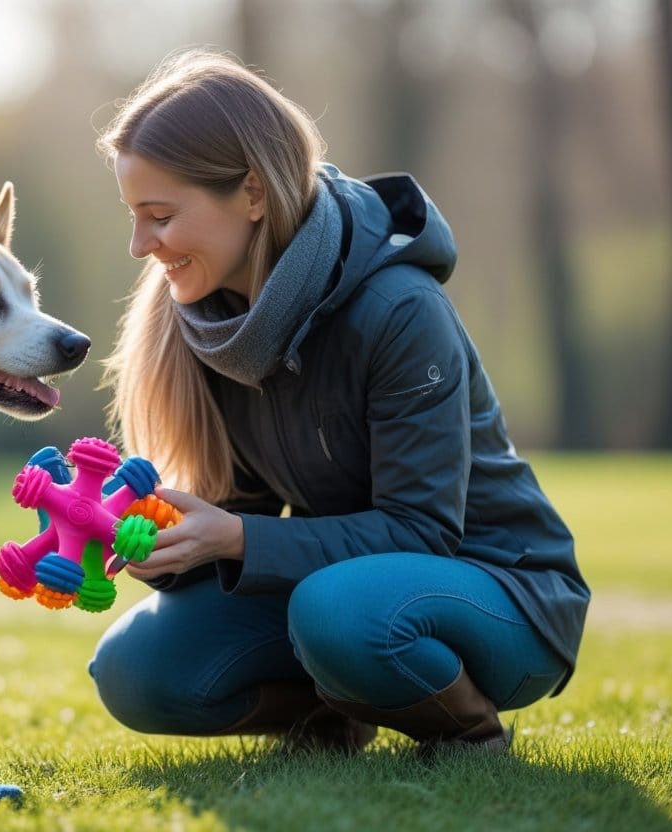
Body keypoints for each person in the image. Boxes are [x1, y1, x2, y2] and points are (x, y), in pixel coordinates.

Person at [88, 48, 590, 754]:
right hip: (342, 597)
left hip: (504, 593)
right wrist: (178, 545)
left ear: (253, 194)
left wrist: (236, 539)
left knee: (337, 611)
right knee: (137, 670)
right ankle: (334, 710)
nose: (141, 245)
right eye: (134, 216)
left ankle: (468, 732)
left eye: (160, 216)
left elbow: (421, 531)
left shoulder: (400, 310)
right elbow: (252, 518)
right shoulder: (218, 323)